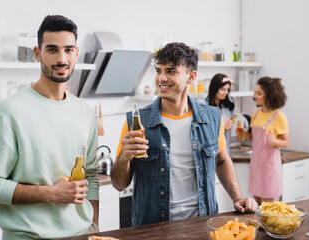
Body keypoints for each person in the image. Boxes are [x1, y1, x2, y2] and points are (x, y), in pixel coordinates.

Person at [0, 15, 99, 240]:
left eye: (68, 50)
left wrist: (94, 223)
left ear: (76, 53)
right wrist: (51, 194)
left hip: (83, 234)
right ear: (38, 54)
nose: (61, 58)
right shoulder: (9, 112)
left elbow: (92, 176)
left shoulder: (85, 112)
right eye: (52, 50)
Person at [110, 42, 257, 227]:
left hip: (202, 226)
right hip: (153, 230)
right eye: (158, 70)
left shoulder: (212, 117)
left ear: (191, 77)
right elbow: (118, 184)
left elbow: (221, 160)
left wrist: (237, 197)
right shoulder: (136, 122)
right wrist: (124, 157)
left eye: (171, 71)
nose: (161, 78)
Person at [237, 76, 289, 205]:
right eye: (255, 92)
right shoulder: (255, 113)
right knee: (256, 206)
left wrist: (274, 141)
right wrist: (244, 133)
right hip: (256, 166)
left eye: (259, 93)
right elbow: (254, 139)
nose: (255, 96)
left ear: (270, 95)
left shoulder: (279, 116)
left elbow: (286, 142)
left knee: (267, 209)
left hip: (269, 167)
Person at [206, 73, 235, 153]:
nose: (225, 93)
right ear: (214, 88)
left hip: (225, 150)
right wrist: (221, 124)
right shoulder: (203, 106)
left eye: (227, 90)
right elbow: (203, 130)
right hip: (210, 151)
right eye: (222, 89)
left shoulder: (228, 107)